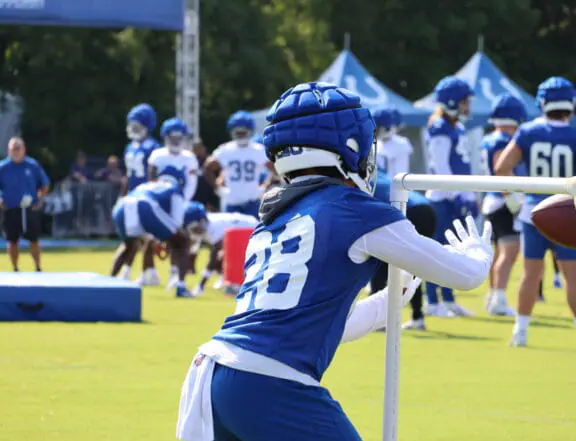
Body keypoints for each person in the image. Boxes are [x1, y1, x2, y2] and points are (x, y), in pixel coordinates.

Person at [175, 82, 494, 441]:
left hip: (213, 373)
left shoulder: (273, 219)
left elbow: (326, 326)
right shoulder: (354, 209)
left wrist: (389, 299)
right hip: (270, 381)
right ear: (352, 145)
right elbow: (465, 275)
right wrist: (479, 251)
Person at [495, 77, 576, 348]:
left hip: (535, 213)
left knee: (531, 275)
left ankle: (521, 331)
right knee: (573, 278)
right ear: (572, 103)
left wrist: (515, 200)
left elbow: (501, 168)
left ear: (542, 102)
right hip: (566, 214)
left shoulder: (528, 132)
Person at [423, 75, 478, 317]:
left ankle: (448, 299)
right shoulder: (439, 127)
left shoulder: (457, 126)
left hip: (454, 196)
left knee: (453, 252)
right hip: (441, 198)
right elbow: (441, 165)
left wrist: (467, 194)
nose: (468, 106)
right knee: (438, 252)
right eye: (464, 101)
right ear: (453, 102)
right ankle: (433, 301)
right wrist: (457, 194)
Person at [110, 177, 207, 298]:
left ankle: (108, 283)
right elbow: (176, 224)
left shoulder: (147, 185)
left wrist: (162, 238)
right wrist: (169, 239)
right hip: (144, 205)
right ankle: (181, 287)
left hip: (121, 206)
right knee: (182, 242)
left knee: (128, 246)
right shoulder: (175, 190)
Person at [370, 170, 437, 330]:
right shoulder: (380, 174)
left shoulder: (363, 183)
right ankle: (417, 317)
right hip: (427, 209)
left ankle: (377, 320)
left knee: (380, 264)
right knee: (410, 268)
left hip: (409, 211)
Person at [481, 94, 527, 316]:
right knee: (508, 252)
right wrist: (514, 200)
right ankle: (498, 297)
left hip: (492, 200)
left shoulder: (489, 138)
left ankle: (493, 296)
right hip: (502, 201)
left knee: (498, 252)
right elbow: (502, 171)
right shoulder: (502, 140)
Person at [148, 117, 200, 288]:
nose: (177, 140)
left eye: (180, 137)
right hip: (159, 203)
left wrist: (183, 202)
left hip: (179, 203)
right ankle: (147, 272)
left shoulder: (189, 157)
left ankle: (174, 274)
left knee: (178, 240)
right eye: (174, 137)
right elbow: (151, 180)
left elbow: (191, 183)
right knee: (150, 238)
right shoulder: (157, 155)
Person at [122, 103, 162, 285]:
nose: (134, 128)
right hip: (133, 195)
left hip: (146, 196)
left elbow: (154, 174)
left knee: (143, 236)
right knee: (137, 236)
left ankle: (129, 270)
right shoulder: (130, 147)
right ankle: (150, 272)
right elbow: (127, 175)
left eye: (138, 125)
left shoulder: (152, 147)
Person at [204, 111, 271, 217]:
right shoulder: (226, 150)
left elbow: (276, 168)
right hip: (232, 201)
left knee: (252, 231)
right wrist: (217, 188)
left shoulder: (259, 150)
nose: (241, 135)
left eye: (243, 132)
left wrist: (265, 186)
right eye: (238, 132)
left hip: (252, 201)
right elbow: (208, 167)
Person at [0, 137, 50, 272]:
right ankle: (15, 268)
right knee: (12, 240)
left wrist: (39, 199)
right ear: (9, 150)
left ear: (24, 149)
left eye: (18, 148)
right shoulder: (3, 167)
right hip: (10, 208)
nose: (16, 151)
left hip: (29, 208)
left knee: (34, 239)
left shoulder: (32, 165)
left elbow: (44, 184)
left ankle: (38, 267)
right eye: (13, 149)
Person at [189, 210, 259, 296]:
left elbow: (213, 259)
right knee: (222, 254)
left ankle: (234, 283)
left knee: (229, 256)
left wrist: (201, 284)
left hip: (250, 228)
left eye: (195, 229)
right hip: (244, 226)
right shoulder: (208, 221)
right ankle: (225, 279)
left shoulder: (213, 228)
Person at [373, 106, 413, 177]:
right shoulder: (375, 144)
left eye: (378, 127)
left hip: (391, 185)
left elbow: (401, 174)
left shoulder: (401, 144)